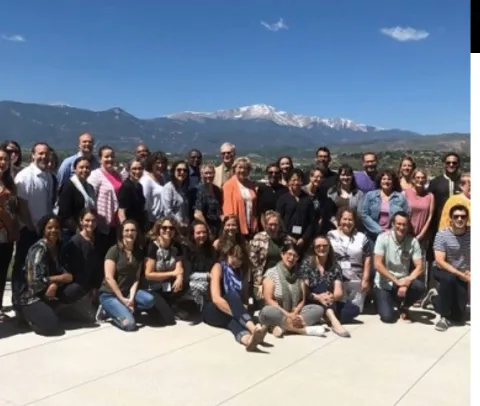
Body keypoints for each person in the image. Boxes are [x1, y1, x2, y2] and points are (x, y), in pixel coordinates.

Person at [16, 215, 94, 336]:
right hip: (31, 296)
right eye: (49, 227)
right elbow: (35, 282)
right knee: (53, 328)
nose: (53, 230)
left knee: (78, 288)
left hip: (48, 291)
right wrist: (58, 279)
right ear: (43, 230)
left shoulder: (58, 247)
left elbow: (67, 275)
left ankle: (51, 309)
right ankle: (26, 316)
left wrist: (55, 283)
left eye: (57, 227)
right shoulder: (39, 249)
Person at [202, 242, 268, 351]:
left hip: (230, 313)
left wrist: (243, 309)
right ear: (229, 254)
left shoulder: (242, 272)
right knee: (232, 296)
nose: (237, 264)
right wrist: (238, 314)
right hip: (213, 309)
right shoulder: (218, 267)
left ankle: (248, 340)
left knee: (232, 323)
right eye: (235, 260)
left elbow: (245, 299)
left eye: (240, 261)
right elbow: (216, 298)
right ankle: (253, 328)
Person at [12, 142, 55, 300]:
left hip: (43, 231)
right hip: (28, 230)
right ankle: (18, 299)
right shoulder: (24, 176)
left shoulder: (48, 176)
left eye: (46, 153)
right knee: (23, 266)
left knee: (39, 268)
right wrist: (31, 227)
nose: (43, 157)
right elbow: (22, 206)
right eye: (40, 153)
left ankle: (34, 299)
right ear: (33, 155)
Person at [96, 220, 155, 331]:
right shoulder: (114, 250)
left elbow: (136, 279)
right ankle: (106, 310)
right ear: (121, 233)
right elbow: (109, 277)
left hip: (128, 293)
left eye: (133, 230)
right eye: (126, 230)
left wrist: (131, 299)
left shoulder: (138, 252)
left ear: (137, 233)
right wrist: (123, 300)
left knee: (150, 300)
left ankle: (124, 308)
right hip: (110, 294)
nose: (130, 233)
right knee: (130, 325)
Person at [259, 242, 327, 338]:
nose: (291, 258)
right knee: (266, 311)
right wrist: (288, 314)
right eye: (289, 254)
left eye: (295, 256)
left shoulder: (300, 275)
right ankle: (302, 330)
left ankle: (284, 327)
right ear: (282, 255)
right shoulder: (271, 273)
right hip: (278, 312)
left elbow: (302, 300)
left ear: (298, 258)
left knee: (318, 309)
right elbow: (268, 300)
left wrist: (295, 313)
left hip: (294, 313)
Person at [298, 236, 355, 337]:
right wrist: (319, 297)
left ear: (329, 247)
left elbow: (338, 292)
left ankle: (323, 317)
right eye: (318, 246)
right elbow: (304, 290)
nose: (321, 248)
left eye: (325, 246)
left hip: (328, 300)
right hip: (312, 298)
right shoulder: (307, 263)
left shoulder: (334, 265)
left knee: (354, 309)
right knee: (321, 286)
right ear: (314, 248)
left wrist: (330, 297)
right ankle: (334, 322)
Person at [373, 212, 425, 323]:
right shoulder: (382, 238)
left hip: (402, 280)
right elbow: (377, 264)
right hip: (384, 283)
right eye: (399, 224)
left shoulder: (413, 241)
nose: (401, 227)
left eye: (404, 224)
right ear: (392, 224)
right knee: (388, 318)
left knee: (420, 287)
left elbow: (420, 267)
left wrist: (407, 280)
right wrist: (397, 281)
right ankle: (382, 301)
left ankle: (404, 306)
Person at [427, 205, 470, 332]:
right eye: (456, 216)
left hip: (463, 273)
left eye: (463, 216)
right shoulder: (442, 235)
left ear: (467, 218)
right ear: (451, 219)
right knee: (450, 279)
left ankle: (434, 298)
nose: (459, 219)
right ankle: (443, 317)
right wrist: (460, 274)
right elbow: (440, 261)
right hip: (443, 270)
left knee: (458, 317)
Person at [328, 207, 371, 314]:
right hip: (337, 282)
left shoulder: (362, 237)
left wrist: (365, 279)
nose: (347, 222)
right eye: (344, 219)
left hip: (356, 281)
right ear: (339, 220)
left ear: (355, 221)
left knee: (355, 312)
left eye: (350, 219)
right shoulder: (331, 235)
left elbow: (368, 258)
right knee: (339, 310)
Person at [144, 217, 186, 325]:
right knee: (168, 320)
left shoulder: (176, 246)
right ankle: (145, 307)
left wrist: (180, 277)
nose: (168, 230)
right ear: (158, 229)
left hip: (168, 286)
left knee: (185, 283)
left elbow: (179, 267)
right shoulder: (153, 247)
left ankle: (171, 305)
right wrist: (172, 273)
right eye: (164, 227)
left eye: (171, 228)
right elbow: (148, 274)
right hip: (153, 287)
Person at [250, 210, 293, 300]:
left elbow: (291, 259)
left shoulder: (286, 239)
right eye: (270, 224)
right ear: (265, 225)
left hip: (282, 276)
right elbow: (253, 260)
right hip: (263, 276)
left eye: (276, 224)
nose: (273, 227)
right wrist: (258, 278)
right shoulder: (258, 238)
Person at [87, 145, 122, 257]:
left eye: (112, 156)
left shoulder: (118, 175)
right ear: (100, 159)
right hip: (101, 223)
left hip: (116, 223)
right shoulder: (95, 175)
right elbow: (90, 199)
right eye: (106, 156)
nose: (110, 159)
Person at [62, 209, 103, 298]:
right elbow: (75, 270)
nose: (90, 224)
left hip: (93, 281)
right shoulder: (76, 242)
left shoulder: (98, 239)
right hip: (80, 284)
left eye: (93, 220)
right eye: (87, 220)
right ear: (81, 221)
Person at [360, 169, 409, 243]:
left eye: (389, 179)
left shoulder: (400, 198)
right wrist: (379, 230)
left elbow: (406, 215)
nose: (386, 181)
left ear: (393, 182)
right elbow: (363, 214)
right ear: (380, 181)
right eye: (384, 179)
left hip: (393, 236)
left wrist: (392, 231)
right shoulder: (370, 195)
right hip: (372, 236)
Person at [276, 168, 315, 254]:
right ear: (288, 181)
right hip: (286, 239)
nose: (296, 183)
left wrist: (304, 238)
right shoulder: (283, 199)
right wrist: (286, 236)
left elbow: (312, 221)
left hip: (303, 240)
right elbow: (278, 219)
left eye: (299, 180)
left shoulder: (307, 199)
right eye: (293, 180)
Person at [57, 157, 96, 243]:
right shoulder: (68, 186)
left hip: (87, 231)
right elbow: (64, 214)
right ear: (74, 169)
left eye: (87, 167)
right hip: (71, 234)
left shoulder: (90, 187)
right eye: (81, 167)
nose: (85, 170)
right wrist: (79, 232)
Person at [0, 146, 19, 321]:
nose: (3, 162)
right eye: (0, 159)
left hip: (7, 236)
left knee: (2, 270)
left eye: (6, 159)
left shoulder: (10, 183)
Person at [184, 220, 216, 310]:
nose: (202, 235)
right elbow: (187, 276)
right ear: (192, 234)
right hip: (190, 283)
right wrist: (206, 275)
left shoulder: (211, 249)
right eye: (198, 233)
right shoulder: (186, 250)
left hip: (207, 281)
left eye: (204, 232)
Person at [222, 157, 258, 239]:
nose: (242, 170)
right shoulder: (229, 185)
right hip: (237, 228)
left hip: (251, 226)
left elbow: (254, 206)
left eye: (245, 168)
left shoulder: (251, 185)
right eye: (240, 167)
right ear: (234, 169)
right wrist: (231, 226)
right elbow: (227, 208)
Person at [191, 163, 223, 238]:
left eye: (211, 173)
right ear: (201, 174)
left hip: (217, 228)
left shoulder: (217, 190)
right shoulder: (197, 190)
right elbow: (197, 214)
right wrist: (208, 229)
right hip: (204, 230)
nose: (208, 175)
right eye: (206, 173)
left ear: (214, 174)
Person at [327, 164, 364, 229]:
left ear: (352, 176)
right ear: (339, 176)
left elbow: (359, 214)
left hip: (353, 227)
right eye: (343, 175)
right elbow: (329, 212)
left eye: (348, 175)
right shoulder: (332, 192)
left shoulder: (359, 194)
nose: (346, 177)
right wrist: (336, 224)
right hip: (334, 227)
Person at [117, 158, 147, 231]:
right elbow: (121, 212)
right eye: (134, 169)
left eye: (140, 168)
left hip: (139, 226)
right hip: (130, 228)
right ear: (128, 170)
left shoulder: (139, 186)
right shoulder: (126, 187)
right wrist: (126, 230)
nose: (137, 171)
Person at [140, 151, 167, 227]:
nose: (160, 165)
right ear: (151, 164)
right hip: (151, 222)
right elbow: (144, 203)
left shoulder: (163, 178)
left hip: (162, 220)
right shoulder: (146, 180)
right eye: (157, 163)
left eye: (163, 163)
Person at [162, 160, 190, 228]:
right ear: (173, 171)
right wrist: (179, 223)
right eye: (179, 170)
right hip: (172, 227)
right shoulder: (168, 188)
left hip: (183, 227)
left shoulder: (183, 188)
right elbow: (167, 211)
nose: (182, 172)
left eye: (185, 170)